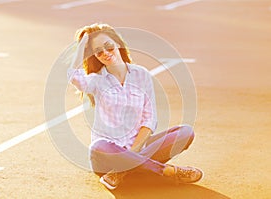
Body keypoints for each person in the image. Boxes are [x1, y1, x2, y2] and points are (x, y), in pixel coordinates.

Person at [67, 23, 203, 190]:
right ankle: (166, 171)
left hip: (139, 149)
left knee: (185, 132)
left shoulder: (142, 75)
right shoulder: (96, 80)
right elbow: (72, 75)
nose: (106, 53)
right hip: (106, 158)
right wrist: (83, 44)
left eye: (109, 47)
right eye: (99, 52)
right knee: (98, 145)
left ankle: (121, 172)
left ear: (118, 44)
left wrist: (133, 152)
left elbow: (149, 118)